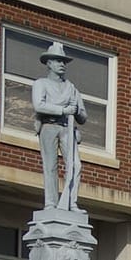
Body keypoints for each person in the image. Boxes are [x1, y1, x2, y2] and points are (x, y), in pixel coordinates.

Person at [31, 42, 87, 210]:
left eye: (64, 61)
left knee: (75, 165)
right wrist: (63, 110)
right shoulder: (41, 83)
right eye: (58, 61)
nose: (62, 64)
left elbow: (83, 117)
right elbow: (39, 105)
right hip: (49, 126)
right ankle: (51, 203)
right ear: (49, 63)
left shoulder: (71, 88)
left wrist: (76, 111)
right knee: (50, 166)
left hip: (67, 128)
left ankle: (71, 202)